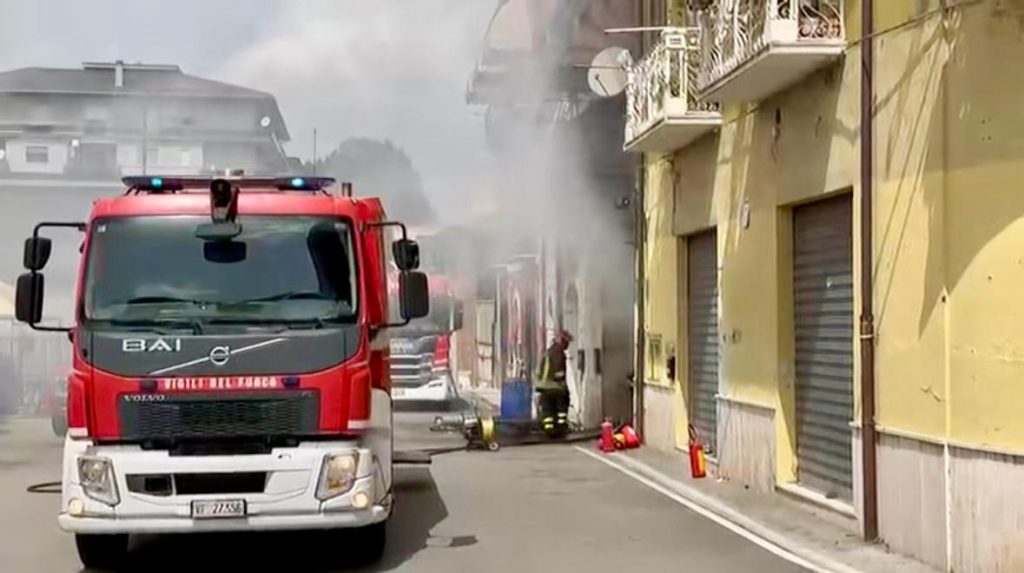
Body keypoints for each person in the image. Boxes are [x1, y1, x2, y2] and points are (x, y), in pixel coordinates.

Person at [536, 330, 572, 436]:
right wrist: (562, 382)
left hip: (543, 386)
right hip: (554, 386)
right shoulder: (558, 353)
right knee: (563, 403)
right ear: (563, 341)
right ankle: (561, 427)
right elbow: (558, 372)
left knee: (547, 408)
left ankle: (549, 429)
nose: (567, 345)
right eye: (567, 342)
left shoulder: (548, 352)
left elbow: (540, 371)